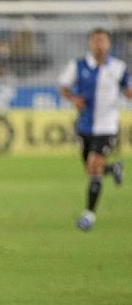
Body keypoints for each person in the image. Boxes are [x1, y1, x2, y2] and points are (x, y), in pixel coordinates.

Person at [58, 28, 132, 231]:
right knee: (90, 170)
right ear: (90, 44)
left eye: (103, 41)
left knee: (93, 165)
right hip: (84, 126)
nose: (99, 45)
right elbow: (63, 87)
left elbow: (128, 89)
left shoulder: (118, 67)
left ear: (109, 44)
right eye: (96, 41)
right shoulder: (78, 66)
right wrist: (73, 99)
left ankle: (88, 215)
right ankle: (113, 168)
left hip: (107, 126)